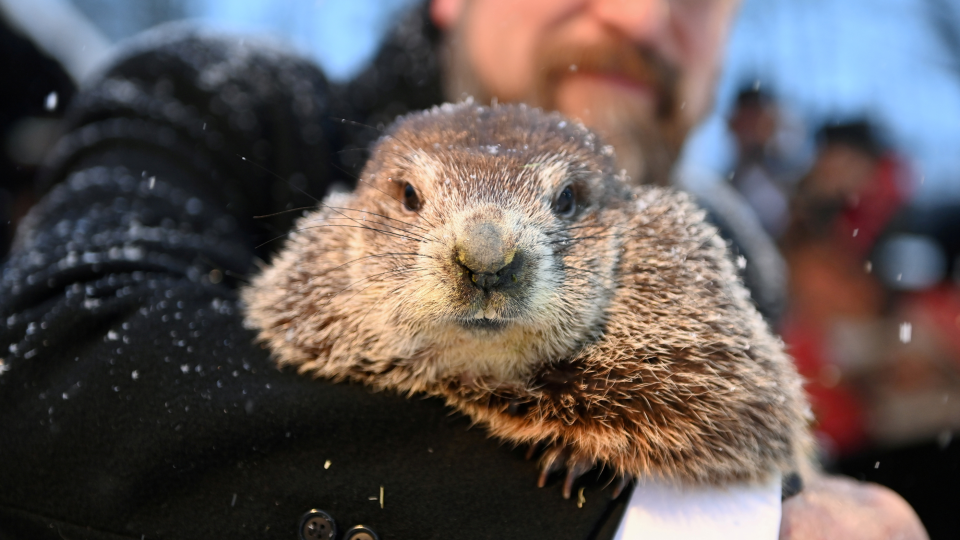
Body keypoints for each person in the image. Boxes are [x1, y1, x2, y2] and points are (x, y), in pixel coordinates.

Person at [0, 1, 928, 539]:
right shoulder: (230, 106)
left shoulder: (725, 242)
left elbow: (778, 462)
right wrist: (677, 522)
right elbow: (56, 379)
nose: (643, 16)